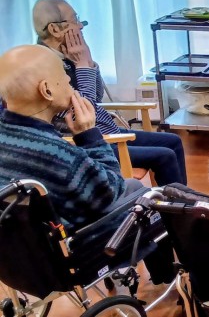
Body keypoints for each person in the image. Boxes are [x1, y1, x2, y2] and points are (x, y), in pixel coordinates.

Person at [0, 45, 176, 284]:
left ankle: (164, 273)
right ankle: (167, 276)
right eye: (65, 77)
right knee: (151, 197)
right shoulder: (56, 153)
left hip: (18, 256)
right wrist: (89, 135)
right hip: (72, 252)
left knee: (135, 185)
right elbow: (112, 190)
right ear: (47, 90)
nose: (70, 82)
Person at [32, 0, 187, 186]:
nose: (80, 26)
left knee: (173, 141)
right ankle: (170, 203)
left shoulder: (67, 56)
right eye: (74, 20)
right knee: (165, 156)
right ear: (54, 29)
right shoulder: (46, 66)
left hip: (106, 132)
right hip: (87, 143)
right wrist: (82, 66)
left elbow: (96, 96)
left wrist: (88, 61)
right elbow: (83, 111)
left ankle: (184, 199)